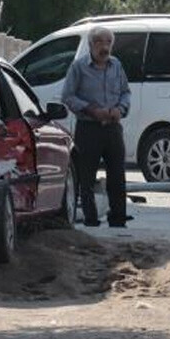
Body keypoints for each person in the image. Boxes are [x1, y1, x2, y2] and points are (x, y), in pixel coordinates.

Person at [61, 26, 132, 227]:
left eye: (108, 42)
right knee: (87, 176)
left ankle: (118, 218)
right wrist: (91, 110)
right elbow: (68, 96)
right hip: (89, 127)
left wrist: (121, 108)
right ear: (91, 45)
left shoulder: (116, 65)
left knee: (117, 174)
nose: (105, 47)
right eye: (100, 42)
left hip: (112, 127)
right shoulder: (79, 67)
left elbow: (126, 92)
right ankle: (90, 219)